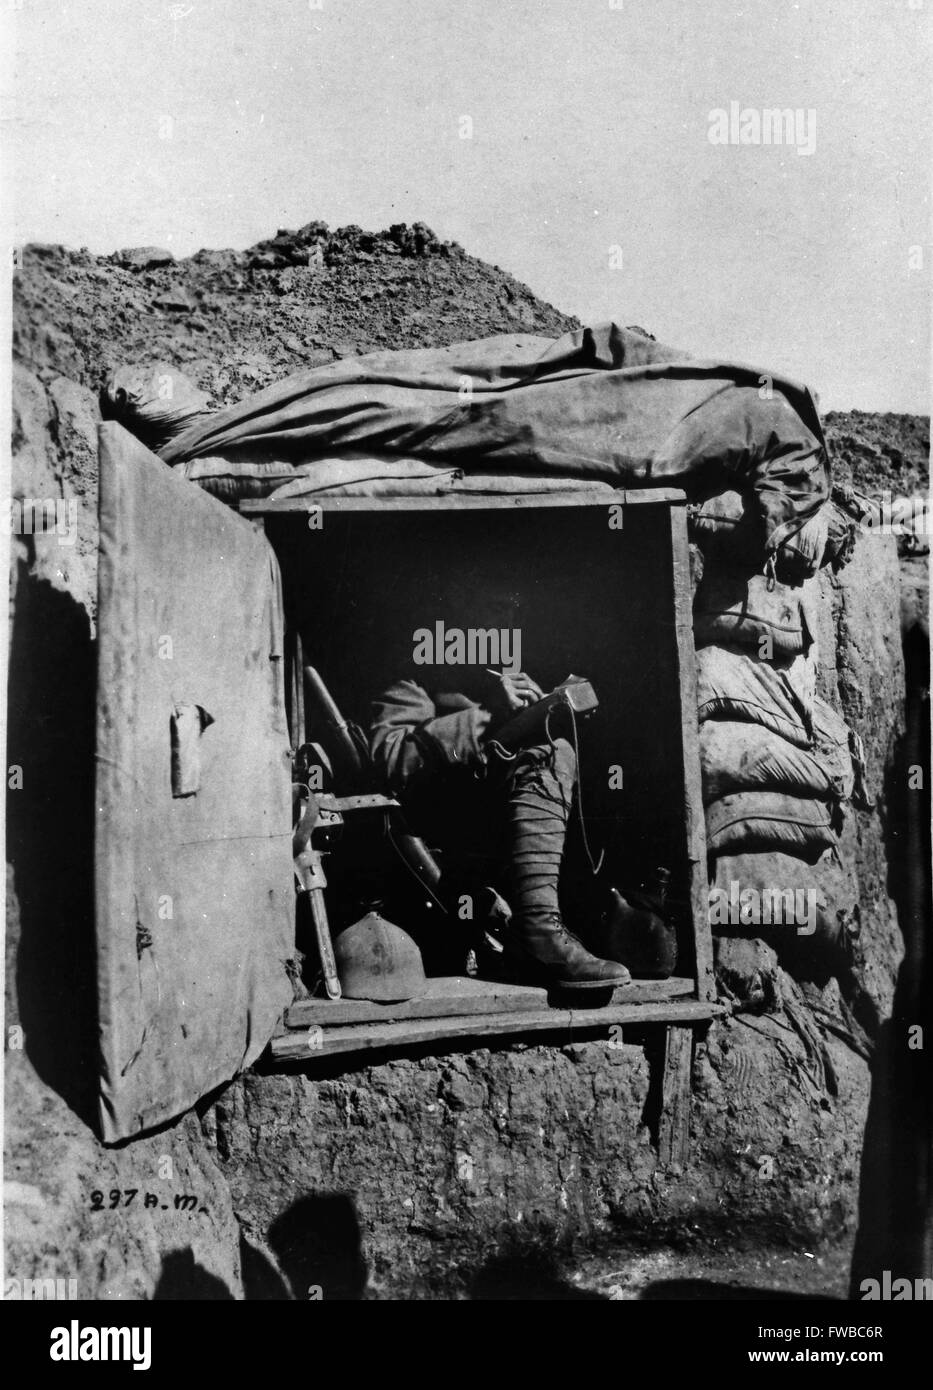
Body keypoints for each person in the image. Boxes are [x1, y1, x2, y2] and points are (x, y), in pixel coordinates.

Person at [369, 668, 630, 991]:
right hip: (440, 832)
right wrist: (487, 715)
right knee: (548, 756)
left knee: (560, 746)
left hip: (500, 831)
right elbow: (392, 758)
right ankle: (538, 932)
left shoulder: (484, 678)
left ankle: (571, 927)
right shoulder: (414, 679)